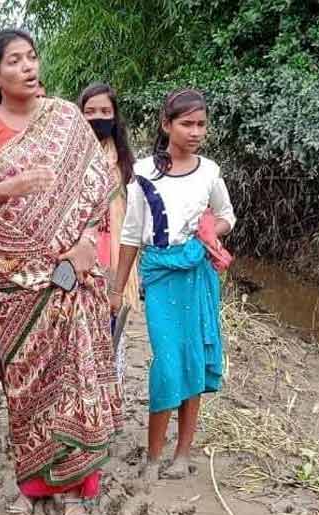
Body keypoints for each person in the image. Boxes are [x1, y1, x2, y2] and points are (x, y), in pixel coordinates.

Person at [0, 29, 123, 515]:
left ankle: (77, 491)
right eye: (14, 60)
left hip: (73, 276)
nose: (28, 66)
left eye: (32, 57)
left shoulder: (67, 118)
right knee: (26, 387)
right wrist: (13, 185)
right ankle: (32, 486)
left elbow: (96, 194)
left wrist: (86, 245)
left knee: (75, 380)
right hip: (16, 279)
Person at [112, 89, 236, 481]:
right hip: (160, 278)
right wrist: (117, 290)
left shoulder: (210, 172)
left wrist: (208, 230)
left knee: (193, 359)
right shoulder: (144, 174)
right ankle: (152, 457)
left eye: (201, 124)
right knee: (167, 362)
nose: (196, 131)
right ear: (167, 125)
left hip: (197, 276)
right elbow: (131, 234)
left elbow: (227, 216)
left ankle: (182, 455)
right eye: (187, 123)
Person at [78, 82, 140, 383]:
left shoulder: (127, 165)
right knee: (79, 335)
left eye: (105, 111)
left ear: (115, 116)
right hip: (78, 257)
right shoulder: (69, 159)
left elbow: (136, 220)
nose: (98, 117)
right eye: (90, 111)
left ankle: (108, 398)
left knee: (112, 331)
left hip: (116, 258)